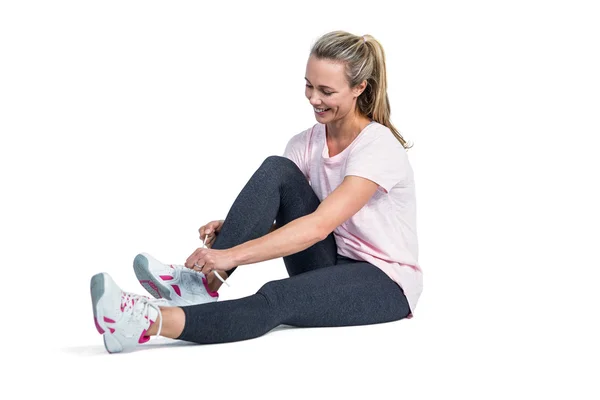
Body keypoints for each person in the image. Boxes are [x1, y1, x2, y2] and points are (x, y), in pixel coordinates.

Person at [89, 30, 423, 354]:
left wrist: (229, 254)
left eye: (326, 91)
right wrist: (237, 225)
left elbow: (319, 225)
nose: (313, 99)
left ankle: (146, 321)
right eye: (308, 86)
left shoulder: (378, 146)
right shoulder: (305, 144)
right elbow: (298, 225)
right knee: (276, 169)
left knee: (278, 297)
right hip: (327, 259)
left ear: (359, 88)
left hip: (382, 281)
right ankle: (201, 284)